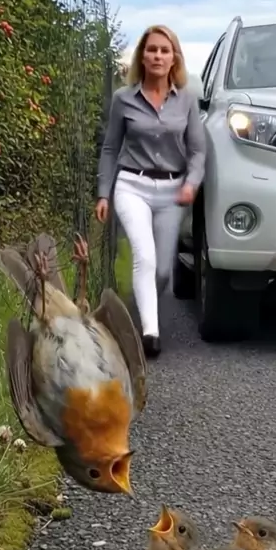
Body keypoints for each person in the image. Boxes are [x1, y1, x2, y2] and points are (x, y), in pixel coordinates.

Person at [95, 24, 206, 359]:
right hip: (132, 186)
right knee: (144, 256)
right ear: (142, 57)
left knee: (162, 272)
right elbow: (110, 148)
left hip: (173, 192)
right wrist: (104, 193)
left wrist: (191, 184)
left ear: (174, 59)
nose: (157, 56)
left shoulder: (187, 100)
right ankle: (150, 334)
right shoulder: (123, 99)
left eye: (164, 50)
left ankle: (147, 305)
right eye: (152, 49)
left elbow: (198, 151)